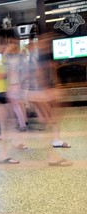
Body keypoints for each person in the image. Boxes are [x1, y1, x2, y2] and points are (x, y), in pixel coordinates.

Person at [27, 34, 72, 166]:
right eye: (44, 42)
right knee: (47, 123)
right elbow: (35, 78)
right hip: (36, 95)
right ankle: (51, 156)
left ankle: (53, 149)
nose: (46, 44)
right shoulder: (32, 59)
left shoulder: (41, 58)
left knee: (50, 121)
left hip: (40, 94)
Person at [3, 38, 29, 132]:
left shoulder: (14, 58)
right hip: (16, 84)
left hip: (13, 84)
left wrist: (6, 50)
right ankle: (23, 122)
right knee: (17, 105)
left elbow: (3, 62)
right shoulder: (18, 57)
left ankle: (22, 124)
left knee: (15, 105)